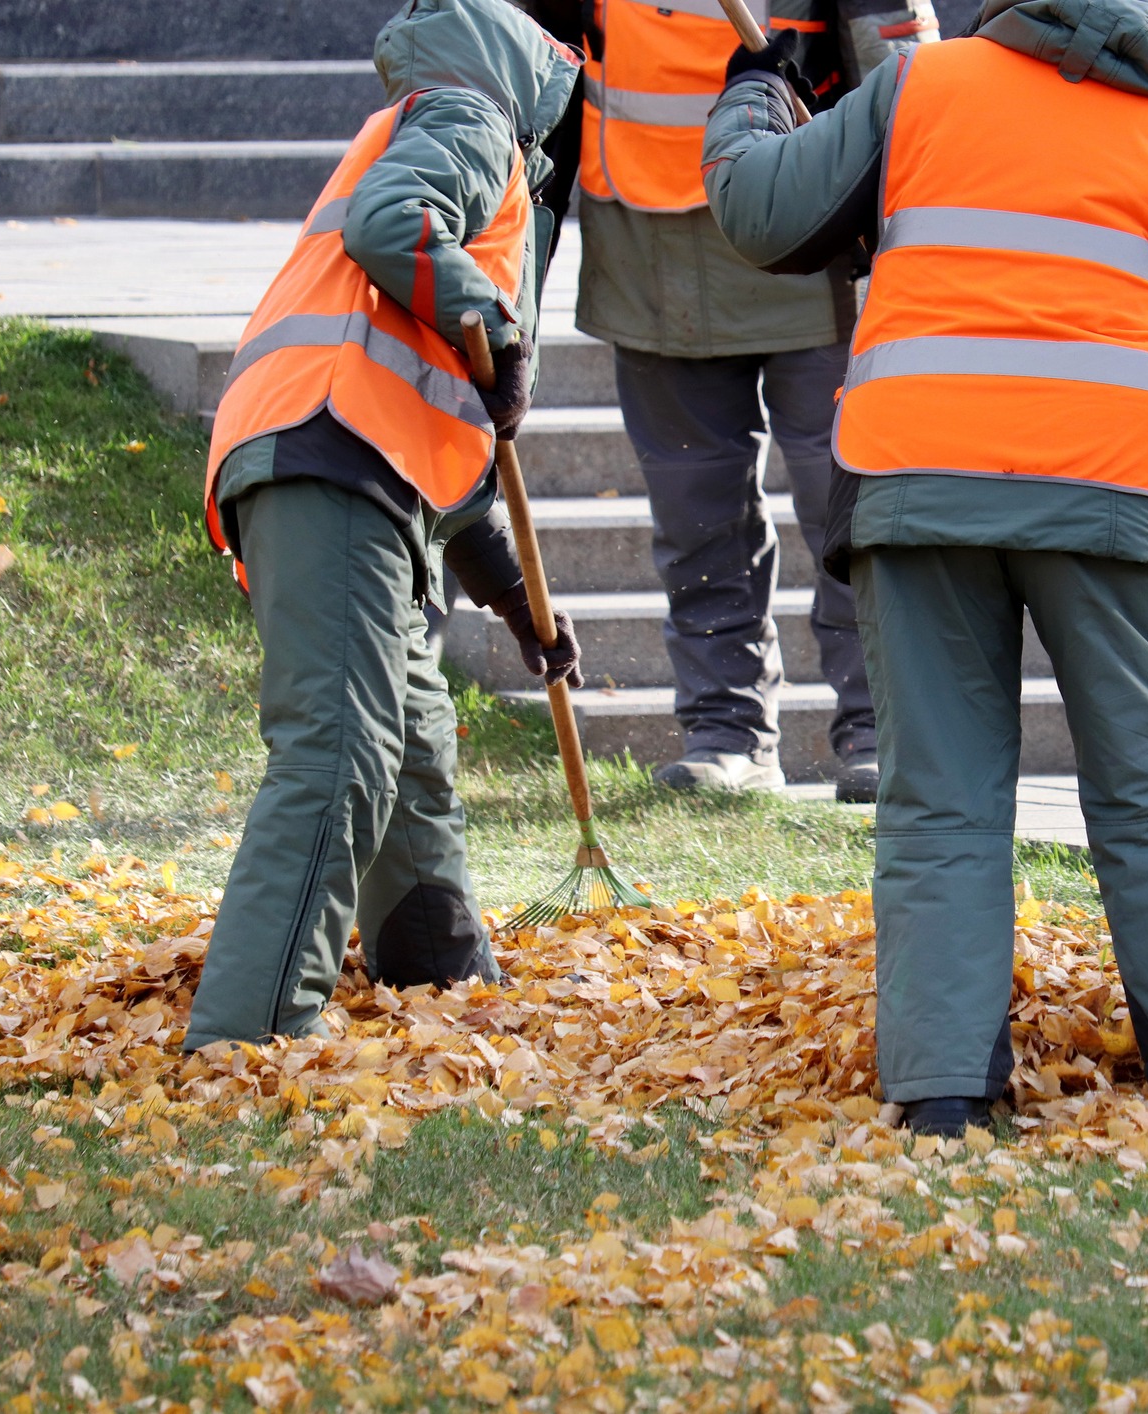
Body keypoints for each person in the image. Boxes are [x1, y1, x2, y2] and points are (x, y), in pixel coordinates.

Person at [702, 0, 1148, 1131]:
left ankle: (940, 1089)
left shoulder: (928, 84)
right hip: (1116, 477)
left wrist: (754, 89)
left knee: (942, 793)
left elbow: (760, 213)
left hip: (921, 471)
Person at [185, 0, 586, 1051]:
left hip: (357, 461)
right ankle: (251, 1034)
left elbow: (442, 429)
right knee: (341, 751)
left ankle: (436, 971)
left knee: (409, 742)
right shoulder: (473, 116)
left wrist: (510, 594)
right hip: (331, 446)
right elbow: (391, 228)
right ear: (542, 80)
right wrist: (494, 322)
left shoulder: (443, 120)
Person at [524, 0, 937, 802]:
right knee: (694, 505)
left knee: (851, 502)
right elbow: (531, 86)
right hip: (645, 250)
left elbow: (912, 87)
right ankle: (725, 732)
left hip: (808, 238)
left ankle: (878, 729)